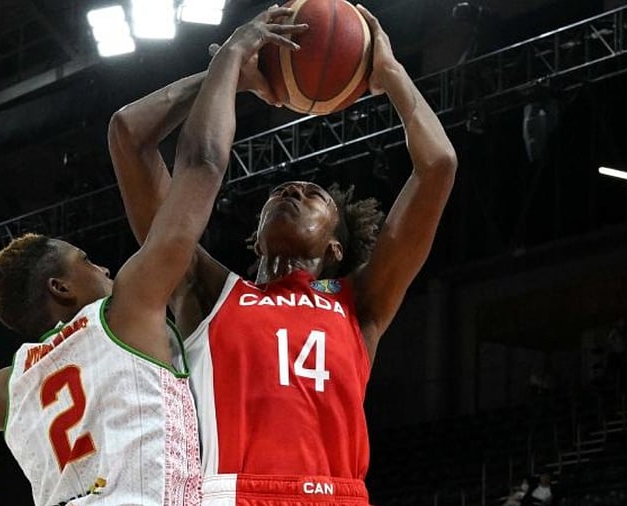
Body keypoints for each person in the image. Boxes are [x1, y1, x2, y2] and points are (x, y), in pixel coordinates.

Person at [0, 9, 306, 505]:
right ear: (58, 287)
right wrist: (233, 56)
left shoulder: (16, 381)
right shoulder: (125, 313)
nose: (105, 267)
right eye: (86, 259)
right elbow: (200, 164)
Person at [109, 4, 457, 505]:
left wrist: (391, 74)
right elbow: (128, 134)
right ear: (255, 239)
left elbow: (439, 165)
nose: (293, 188)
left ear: (336, 246)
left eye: (313, 195)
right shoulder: (204, 290)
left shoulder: (362, 304)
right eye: (281, 192)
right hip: (232, 493)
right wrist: (226, 71)